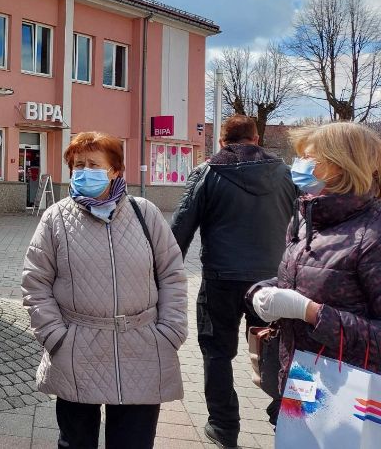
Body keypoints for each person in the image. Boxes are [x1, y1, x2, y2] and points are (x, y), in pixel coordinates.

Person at [22, 131, 187, 449]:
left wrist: (170, 331)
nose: (84, 171)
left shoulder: (144, 213)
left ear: (115, 170)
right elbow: (35, 282)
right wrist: (55, 336)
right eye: (78, 165)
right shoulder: (56, 218)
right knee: (76, 442)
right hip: (77, 348)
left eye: (94, 164)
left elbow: (172, 275)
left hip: (141, 346)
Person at [171, 114, 295, 447]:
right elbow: (302, 227)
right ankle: (282, 415)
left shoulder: (207, 172)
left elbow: (181, 227)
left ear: (222, 141)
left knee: (217, 352)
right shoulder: (285, 174)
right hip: (272, 282)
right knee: (274, 348)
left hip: (220, 279)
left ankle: (224, 426)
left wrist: (164, 275)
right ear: (257, 139)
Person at [248, 122, 381, 422]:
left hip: (349, 399)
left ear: (342, 166)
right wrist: (262, 292)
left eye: (310, 158)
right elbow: (308, 277)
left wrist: (311, 312)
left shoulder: (373, 233)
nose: (300, 165)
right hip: (300, 382)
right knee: (293, 437)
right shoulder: (308, 217)